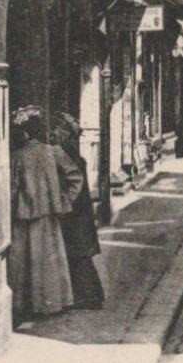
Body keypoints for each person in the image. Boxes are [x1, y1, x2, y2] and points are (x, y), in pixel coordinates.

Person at [8, 106, 84, 324]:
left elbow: (12, 189)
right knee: (49, 261)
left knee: (24, 263)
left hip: (25, 216)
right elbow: (75, 177)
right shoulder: (54, 152)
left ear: (25, 133)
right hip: (50, 215)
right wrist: (64, 202)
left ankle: (27, 304)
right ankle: (52, 302)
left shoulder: (17, 157)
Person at [50, 112, 105, 311]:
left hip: (75, 212)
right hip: (81, 211)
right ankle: (88, 296)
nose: (55, 134)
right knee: (79, 256)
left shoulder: (61, 152)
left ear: (66, 133)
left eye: (59, 131)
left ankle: (89, 297)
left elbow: (75, 182)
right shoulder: (71, 151)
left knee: (78, 256)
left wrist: (65, 204)